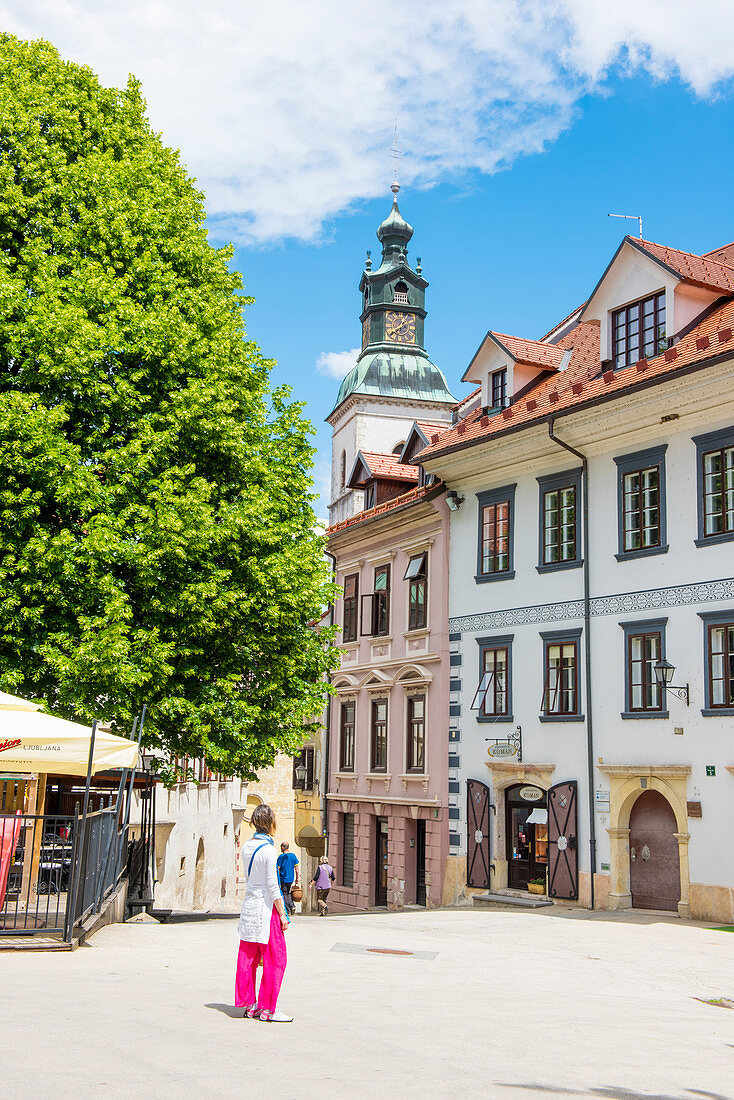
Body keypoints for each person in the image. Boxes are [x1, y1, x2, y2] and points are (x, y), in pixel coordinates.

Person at [234, 804, 292, 1023]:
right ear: (271, 823)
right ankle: (268, 1008)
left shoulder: (247, 846)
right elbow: (272, 886)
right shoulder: (269, 849)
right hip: (266, 909)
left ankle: (250, 1005)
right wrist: (283, 914)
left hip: (249, 905)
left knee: (247, 958)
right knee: (275, 959)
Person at [276, 842, 300, 916]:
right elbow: (297, 869)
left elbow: (278, 869)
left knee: (284, 894)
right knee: (288, 892)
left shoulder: (281, 857)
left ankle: (289, 909)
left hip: (283, 878)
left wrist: (277, 879)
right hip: (291, 878)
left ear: (283, 847)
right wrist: (297, 879)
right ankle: (292, 905)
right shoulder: (293, 856)